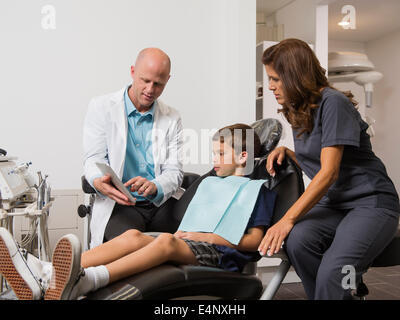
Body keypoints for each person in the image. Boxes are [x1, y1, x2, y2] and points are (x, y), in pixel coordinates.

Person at [0, 124, 276, 300]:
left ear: (242, 156)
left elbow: (254, 242)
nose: (213, 160)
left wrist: (203, 236)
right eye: (212, 153)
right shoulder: (213, 184)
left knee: (165, 241)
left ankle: (88, 281)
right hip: (193, 243)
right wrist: (189, 233)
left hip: (222, 256)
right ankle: (47, 273)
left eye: (220, 154)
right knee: (133, 235)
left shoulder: (257, 191)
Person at [257, 38, 400, 300]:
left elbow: (330, 172)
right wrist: (290, 153)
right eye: (269, 78)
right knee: (298, 242)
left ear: (295, 76)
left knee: (333, 271)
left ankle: (339, 287)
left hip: (370, 202)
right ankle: (340, 294)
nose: (271, 86)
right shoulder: (297, 109)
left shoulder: (333, 103)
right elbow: (322, 159)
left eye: (276, 79)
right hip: (335, 204)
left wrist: (287, 219)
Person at [83, 48, 184, 248]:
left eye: (158, 84)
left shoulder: (172, 117)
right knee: (131, 244)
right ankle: (79, 271)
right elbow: (93, 159)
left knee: (188, 240)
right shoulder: (101, 107)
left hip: (159, 204)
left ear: (167, 80)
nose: (150, 89)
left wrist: (156, 185)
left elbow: (174, 171)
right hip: (121, 204)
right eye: (145, 80)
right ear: (132, 72)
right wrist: (97, 180)